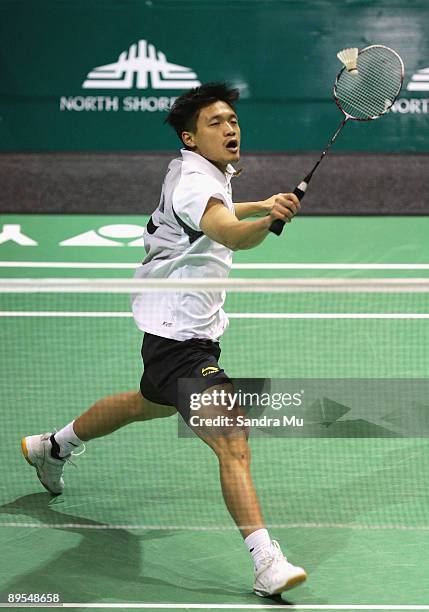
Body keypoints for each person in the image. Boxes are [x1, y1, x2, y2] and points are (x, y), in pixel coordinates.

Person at [21, 82, 306, 597]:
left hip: (174, 328)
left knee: (144, 403)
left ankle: (53, 446)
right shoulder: (197, 184)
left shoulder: (196, 170)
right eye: (215, 122)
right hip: (180, 339)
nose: (230, 127)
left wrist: (259, 203)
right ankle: (266, 561)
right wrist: (268, 220)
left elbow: (214, 216)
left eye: (232, 119)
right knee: (232, 439)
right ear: (190, 138)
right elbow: (228, 233)